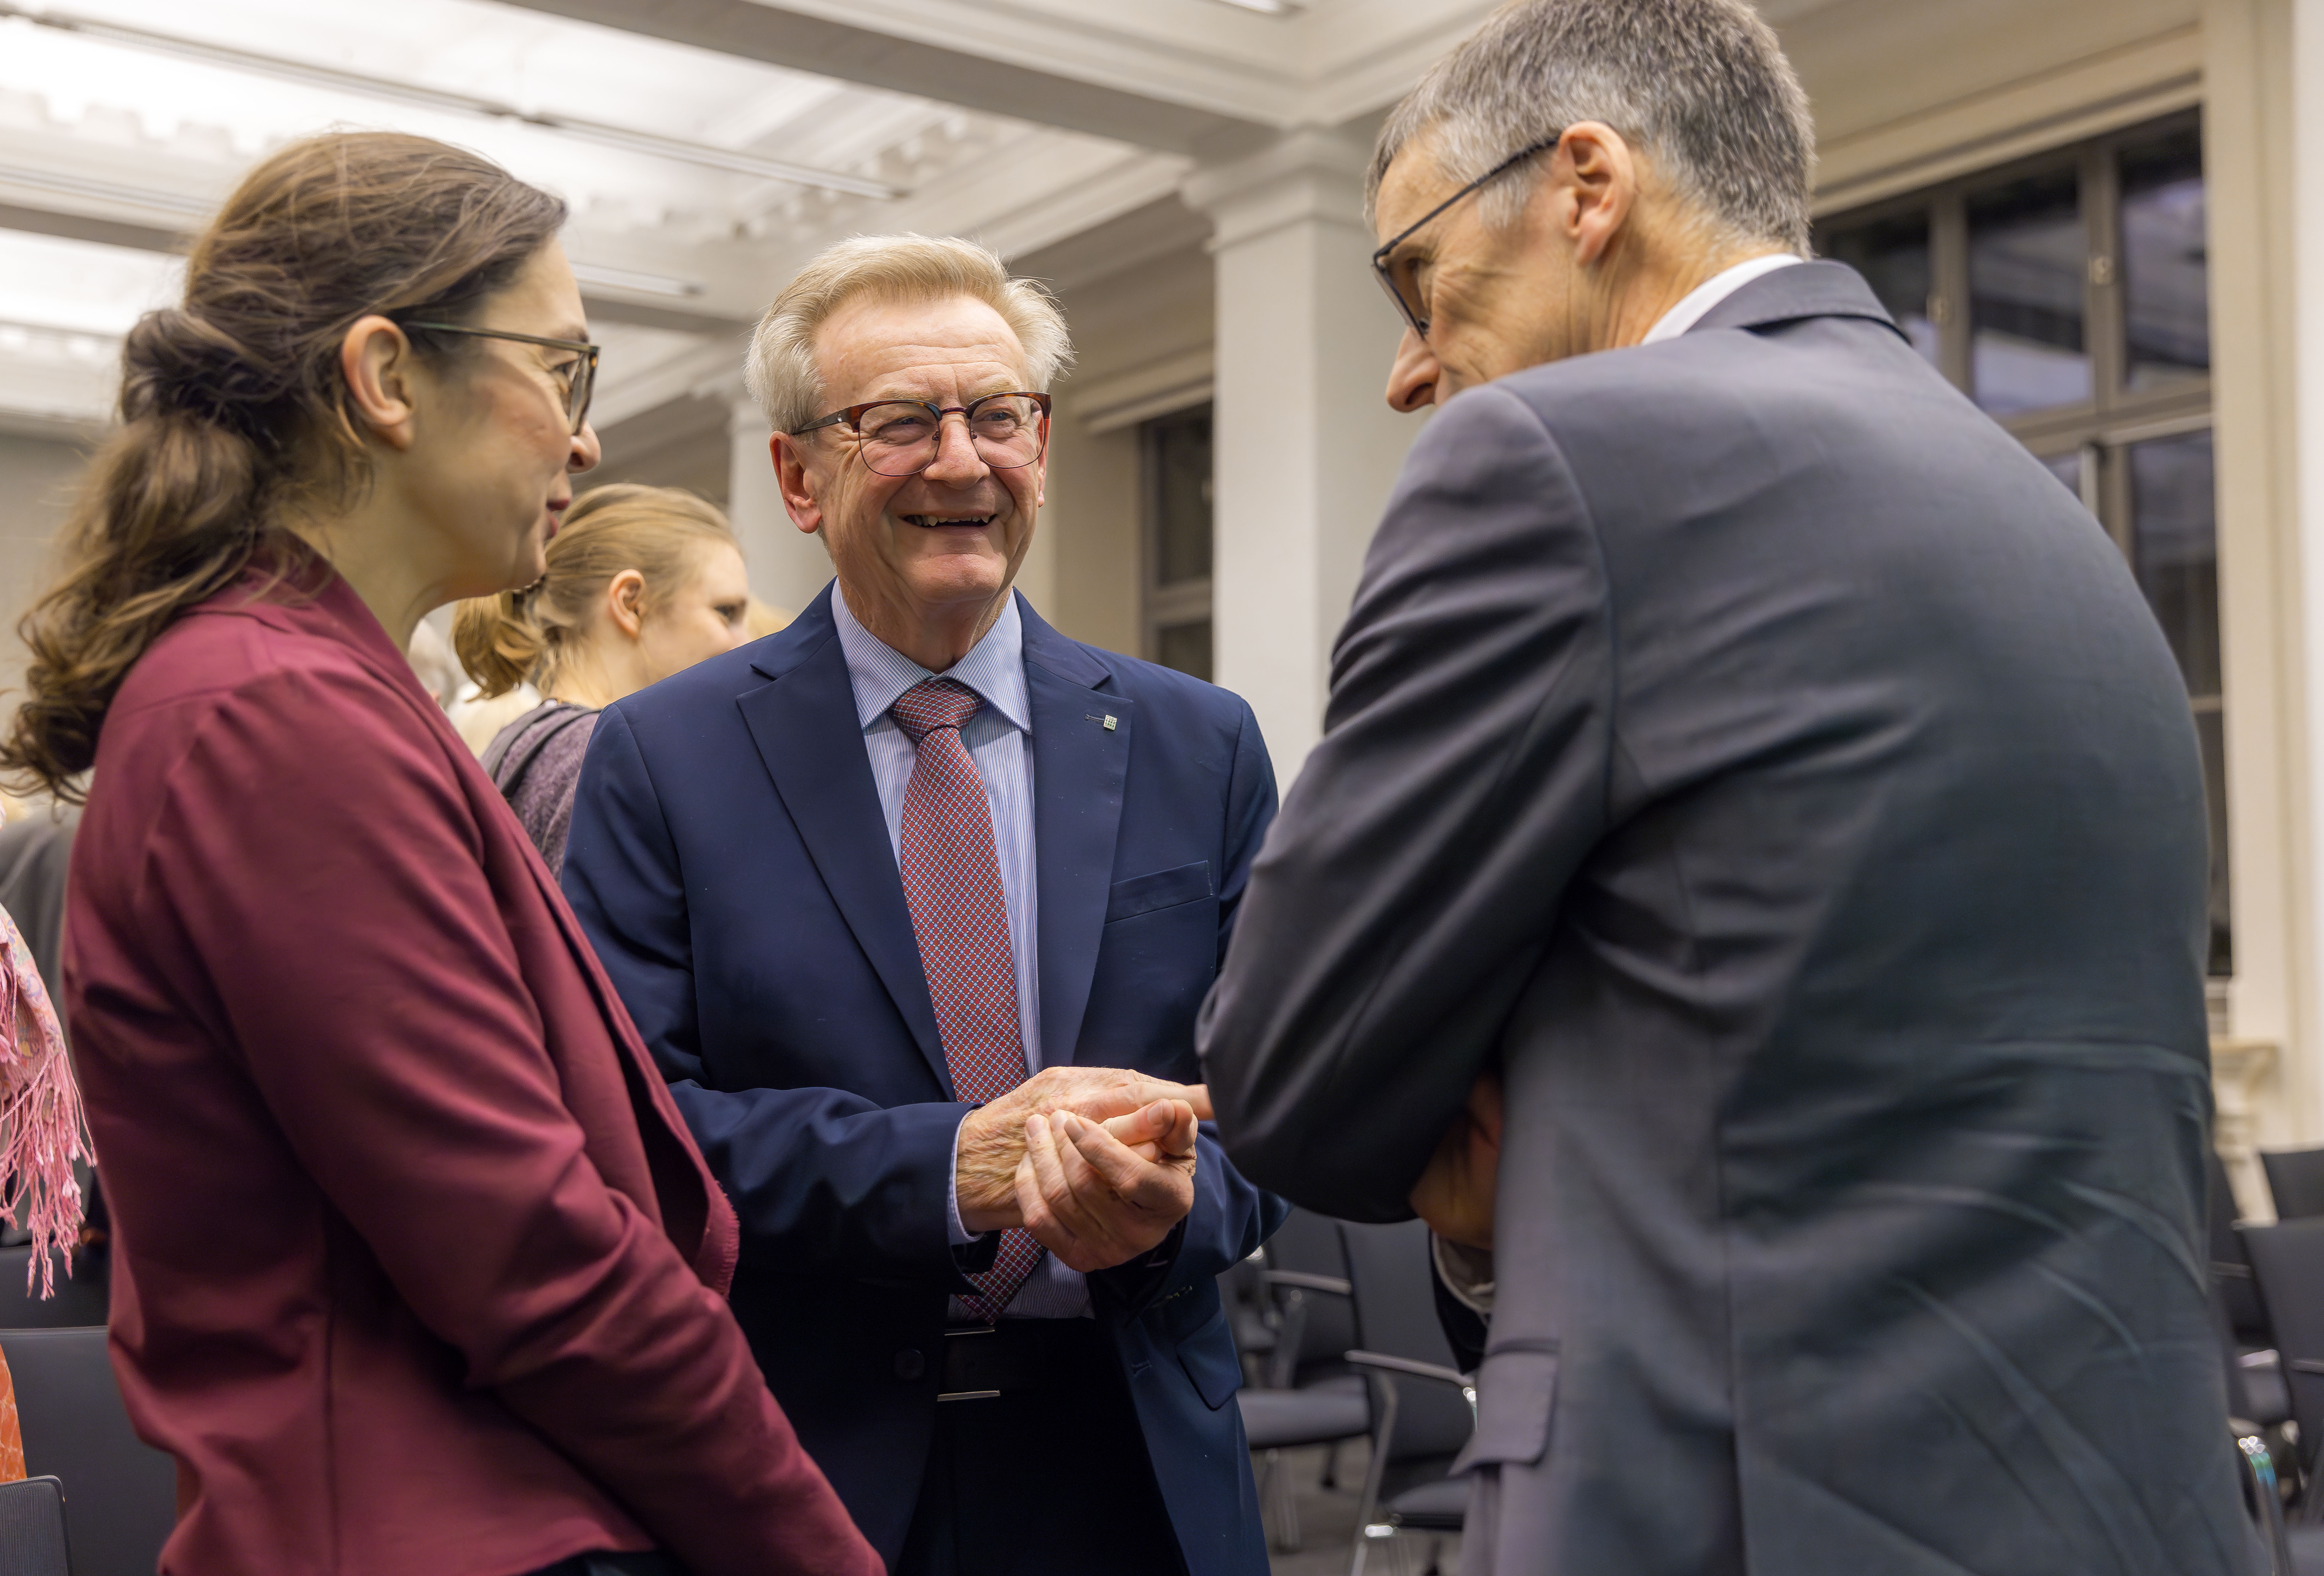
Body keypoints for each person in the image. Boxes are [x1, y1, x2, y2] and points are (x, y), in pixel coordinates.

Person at [1196, 2, 2261, 1572]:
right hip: (2132, 1501)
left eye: (1414, 277)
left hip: (1729, 1499)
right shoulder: (2046, 514)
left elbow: (1290, 1071)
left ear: (1584, 183)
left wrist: (1493, 1141)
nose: (1410, 371)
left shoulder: (1548, 460)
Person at [0, 130, 879, 1576]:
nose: (586, 439)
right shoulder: (271, 712)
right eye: (563, 369)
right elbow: (536, 1259)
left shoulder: (307, 687)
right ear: (387, 377)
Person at [561, 234, 1284, 1576]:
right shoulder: (664, 758)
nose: (960, 462)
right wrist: (947, 1174)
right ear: (796, 474)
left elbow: (1276, 1107)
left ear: (1041, 444)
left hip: (1134, 1467)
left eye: (995, 415)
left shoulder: (1200, 742)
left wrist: (1176, 1212)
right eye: (897, 422)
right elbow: (627, 1137)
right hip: (809, 1469)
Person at [457, 484, 752, 874]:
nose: (748, 643)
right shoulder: (609, 758)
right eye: (726, 612)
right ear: (631, 603)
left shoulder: (520, 740)